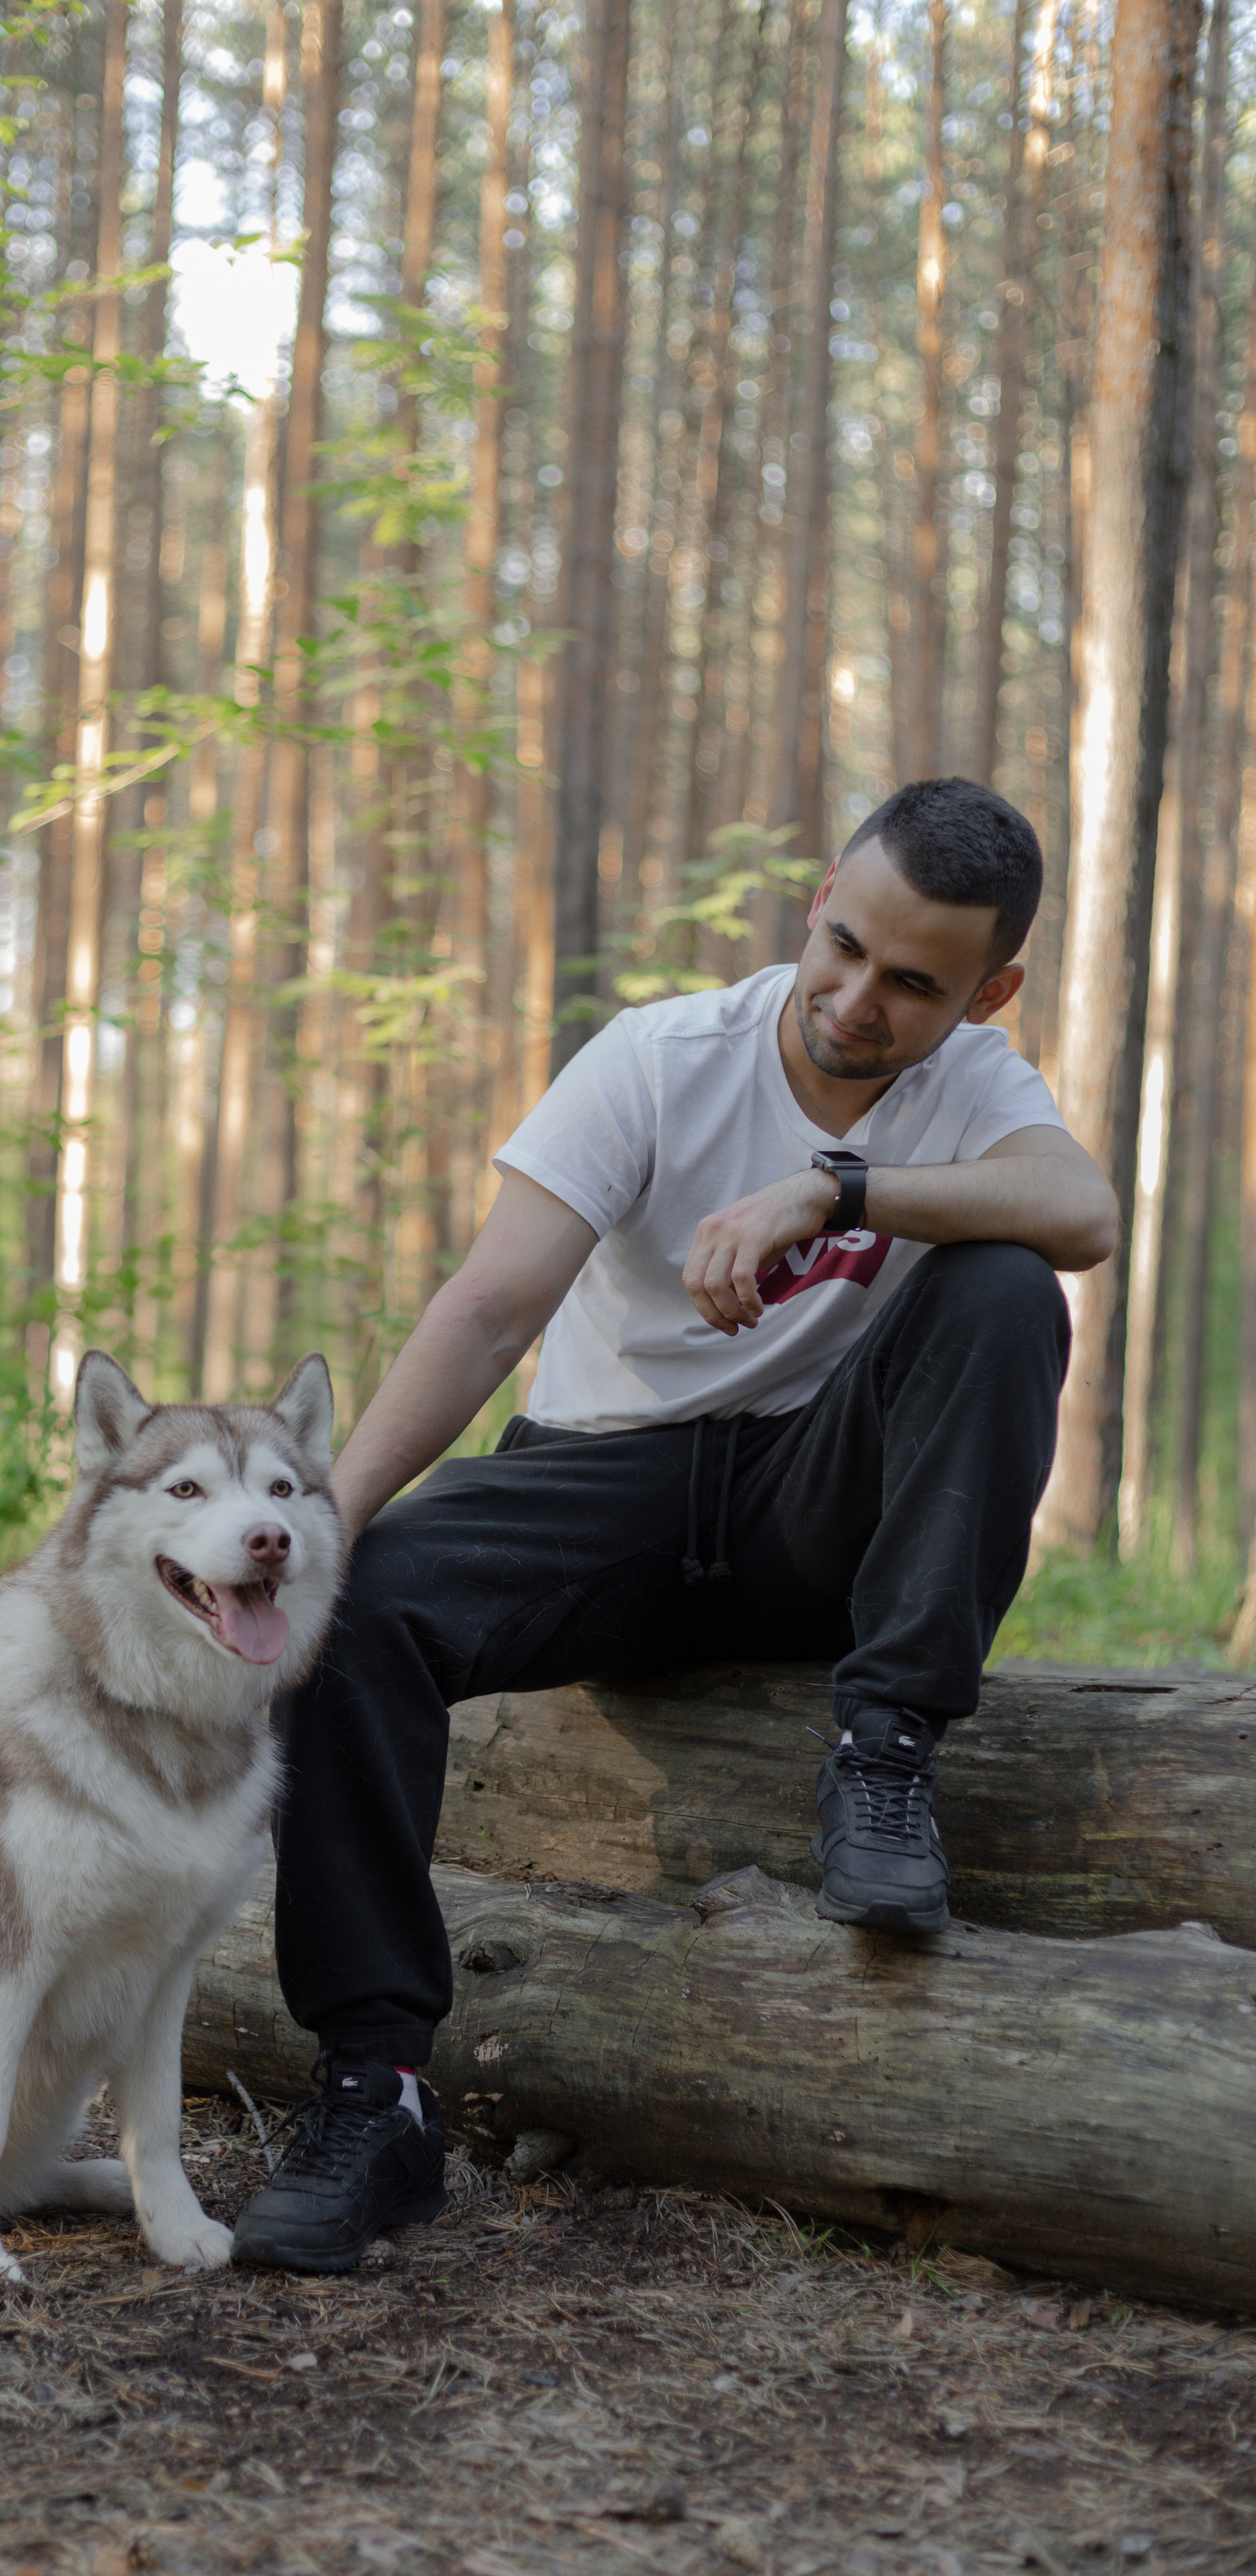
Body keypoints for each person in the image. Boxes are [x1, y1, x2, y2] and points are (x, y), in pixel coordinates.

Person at [230, 775, 1118, 2276]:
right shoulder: (657, 1057)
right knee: (366, 1602)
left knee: (1002, 1283)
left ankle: (885, 1759)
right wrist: (321, 1522)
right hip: (604, 1487)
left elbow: (1080, 1215)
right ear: (814, 900)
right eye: (839, 945)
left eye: (912, 984)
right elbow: (488, 1307)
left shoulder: (973, 1088)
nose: (852, 1000)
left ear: (989, 991)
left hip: (809, 1513)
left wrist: (837, 1188)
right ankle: (373, 2090)